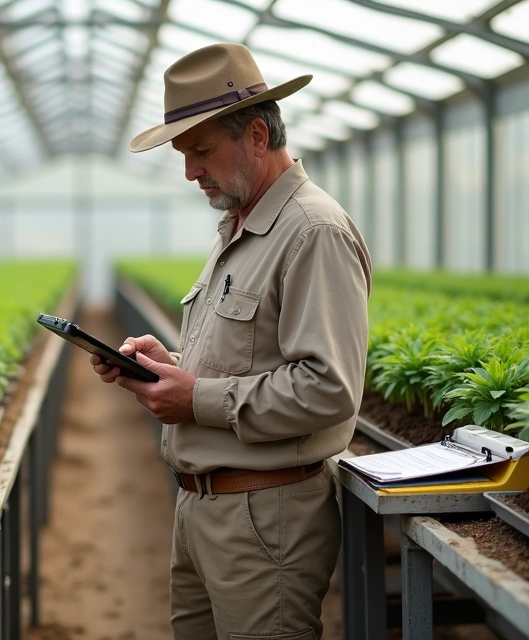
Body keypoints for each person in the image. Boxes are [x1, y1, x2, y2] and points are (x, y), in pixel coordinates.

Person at [90, 43, 372, 640]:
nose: (190, 171)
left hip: (265, 519)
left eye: (201, 151)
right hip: (200, 510)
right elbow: (246, 355)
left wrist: (195, 400)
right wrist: (170, 367)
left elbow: (329, 389)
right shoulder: (239, 226)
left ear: (259, 135)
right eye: (183, 155)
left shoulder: (312, 231)